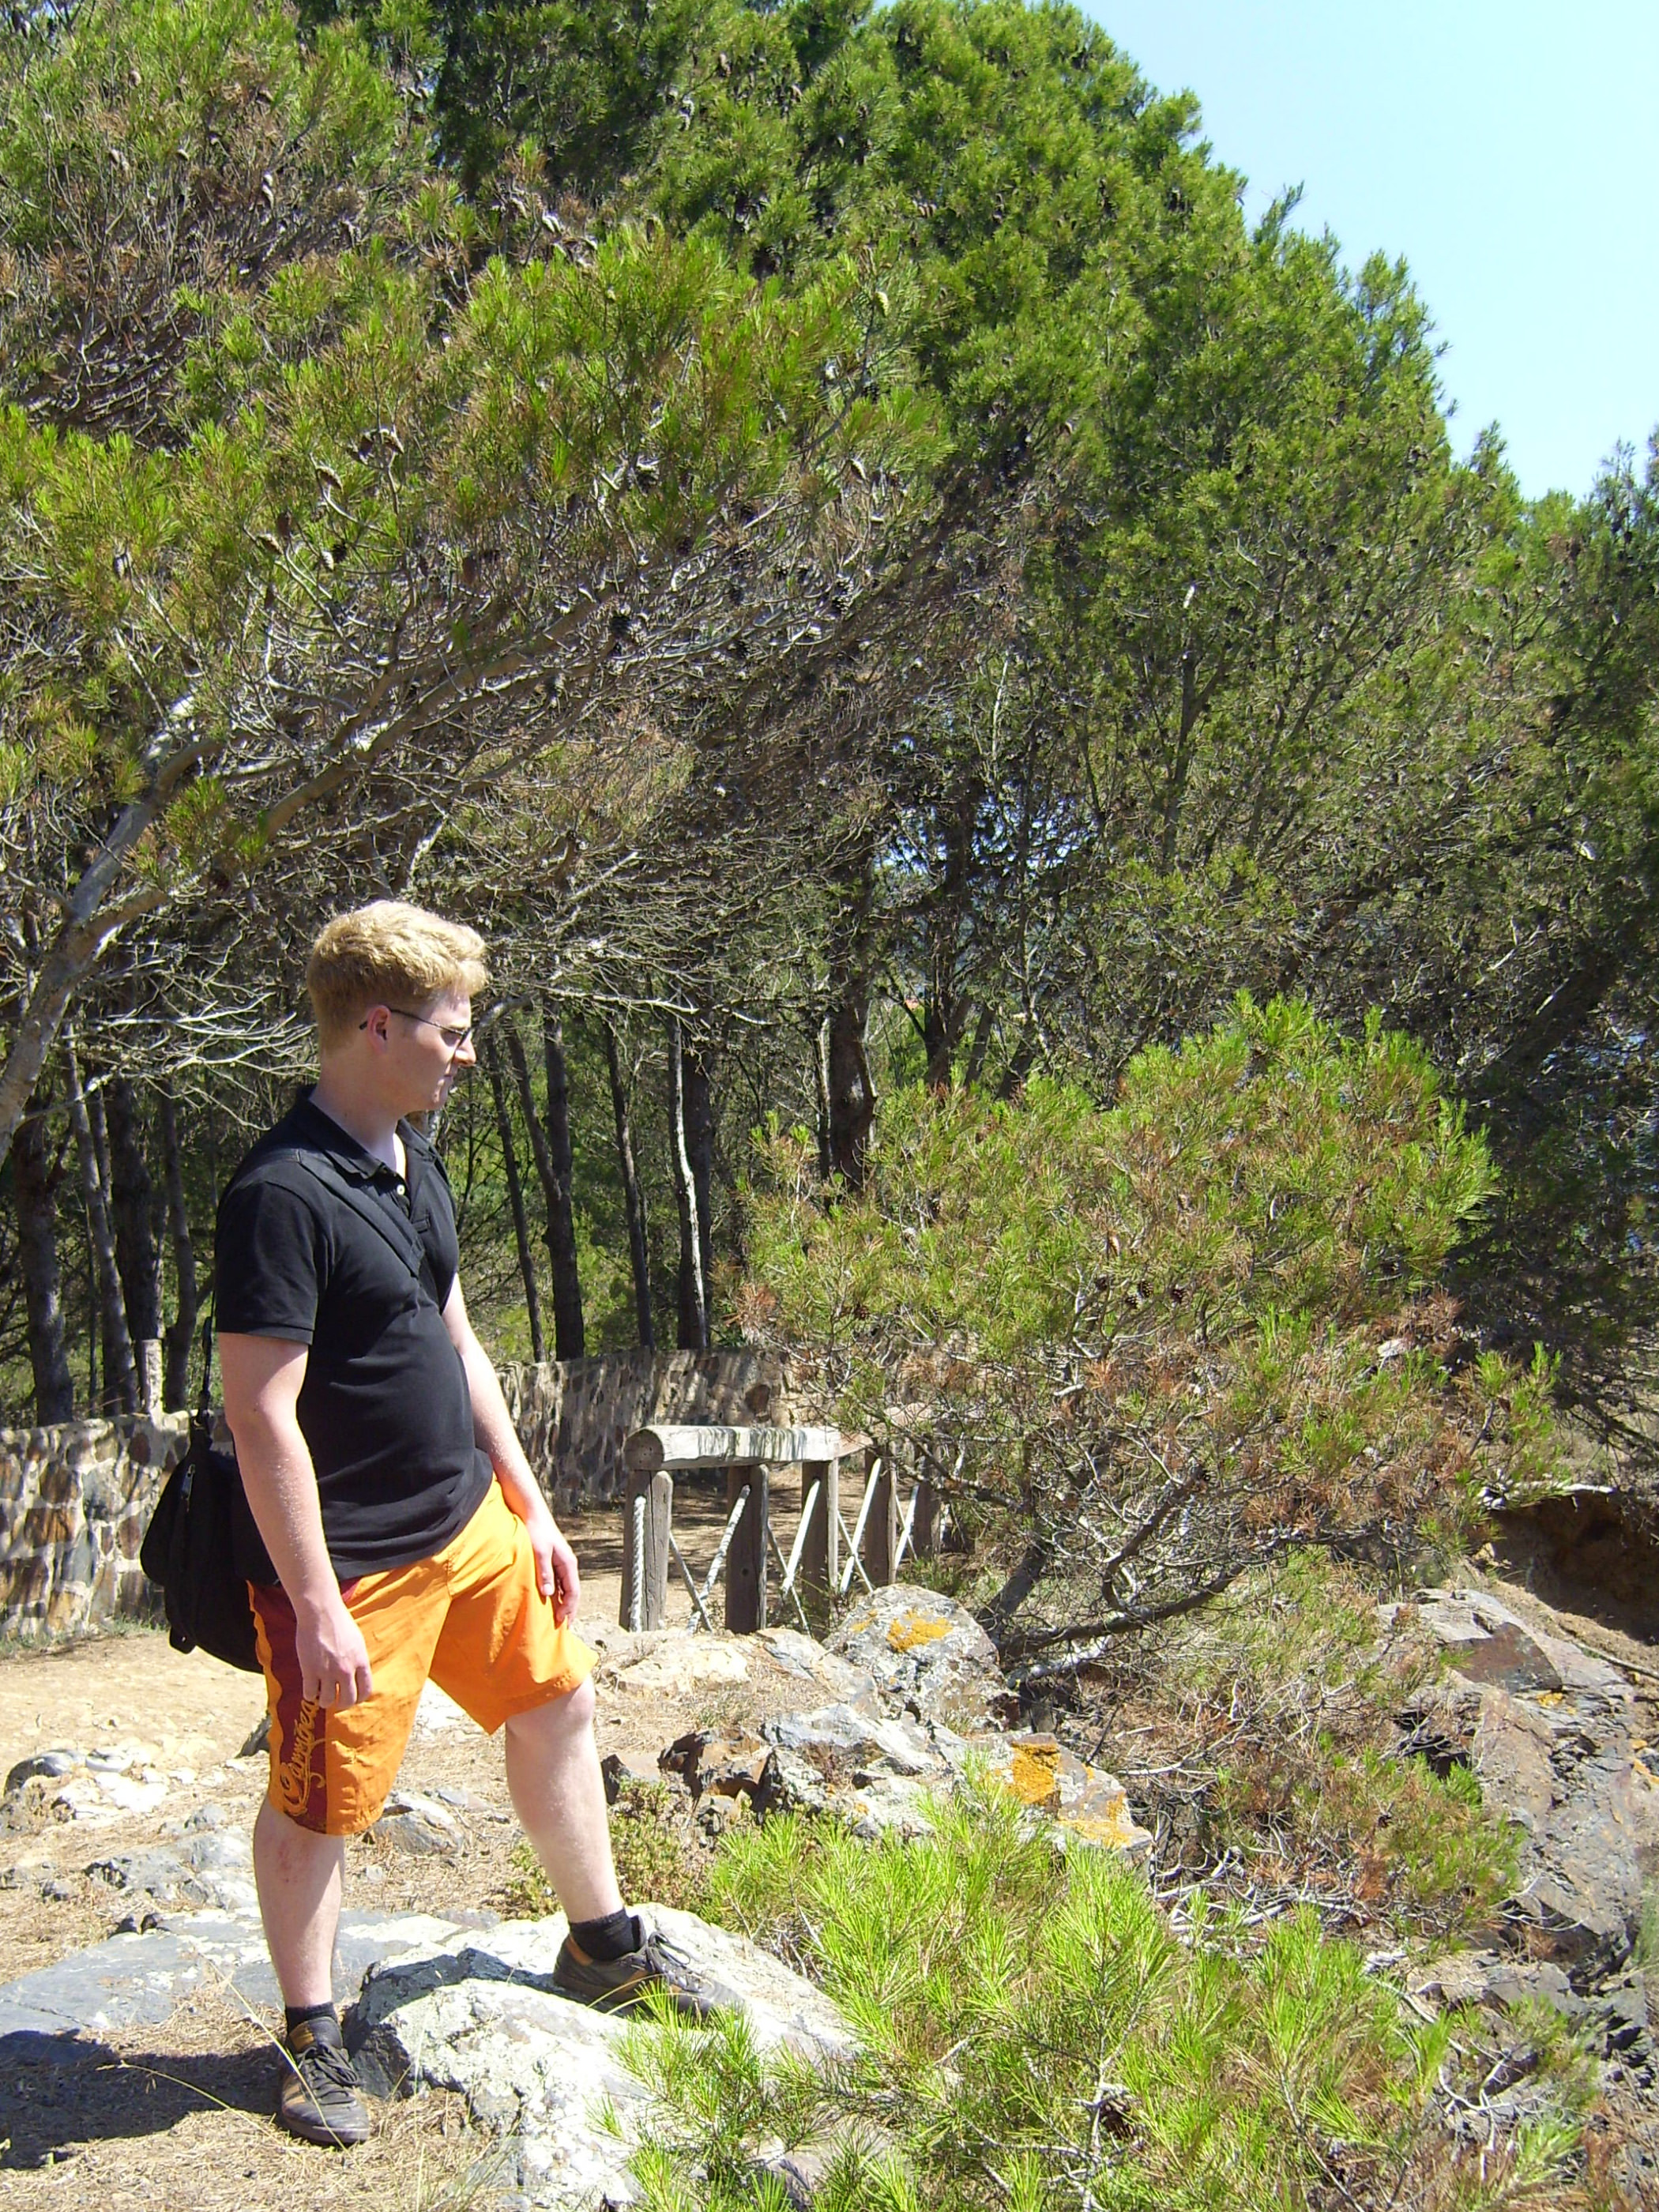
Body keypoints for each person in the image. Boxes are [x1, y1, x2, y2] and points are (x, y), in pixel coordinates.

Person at [216, 901, 710, 2150]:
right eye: (452, 1030)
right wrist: (316, 1606)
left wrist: (529, 1504)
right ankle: (313, 2037)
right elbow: (260, 1417)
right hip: (356, 1567)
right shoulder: (280, 1194)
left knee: (559, 1700)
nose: (468, 1052)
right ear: (378, 1027)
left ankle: (600, 1945)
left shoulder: (408, 1158)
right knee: (323, 1802)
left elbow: (457, 1339)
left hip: (467, 1523)